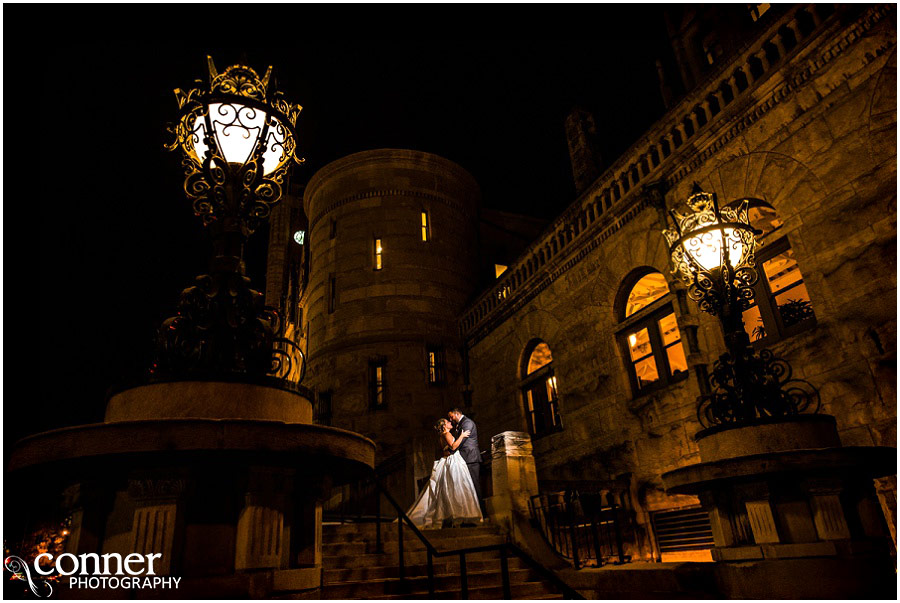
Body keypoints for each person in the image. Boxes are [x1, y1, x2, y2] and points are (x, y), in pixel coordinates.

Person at [405, 418, 483, 528]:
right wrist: (462, 436)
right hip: (453, 460)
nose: (450, 423)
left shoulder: (443, 435)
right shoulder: (446, 434)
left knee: (456, 487)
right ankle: (457, 515)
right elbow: (453, 447)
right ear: (444, 426)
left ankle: (458, 516)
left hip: (451, 459)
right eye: (448, 422)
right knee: (457, 486)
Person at [448, 407, 483, 513]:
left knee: (474, 485)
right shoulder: (461, 424)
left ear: (457, 414)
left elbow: (460, 442)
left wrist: (451, 449)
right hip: (465, 459)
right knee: (467, 487)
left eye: (451, 417)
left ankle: (482, 512)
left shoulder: (467, 423)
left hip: (471, 458)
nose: (450, 420)